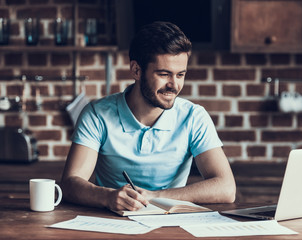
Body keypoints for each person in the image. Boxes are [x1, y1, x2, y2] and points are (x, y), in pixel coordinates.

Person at [61, 21, 236, 212]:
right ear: (136, 70)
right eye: (164, 74)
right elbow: (70, 183)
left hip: (172, 224)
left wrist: (155, 196)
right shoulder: (97, 114)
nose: (174, 85)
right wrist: (108, 197)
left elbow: (226, 189)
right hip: (111, 223)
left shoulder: (194, 117)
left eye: (180, 75)